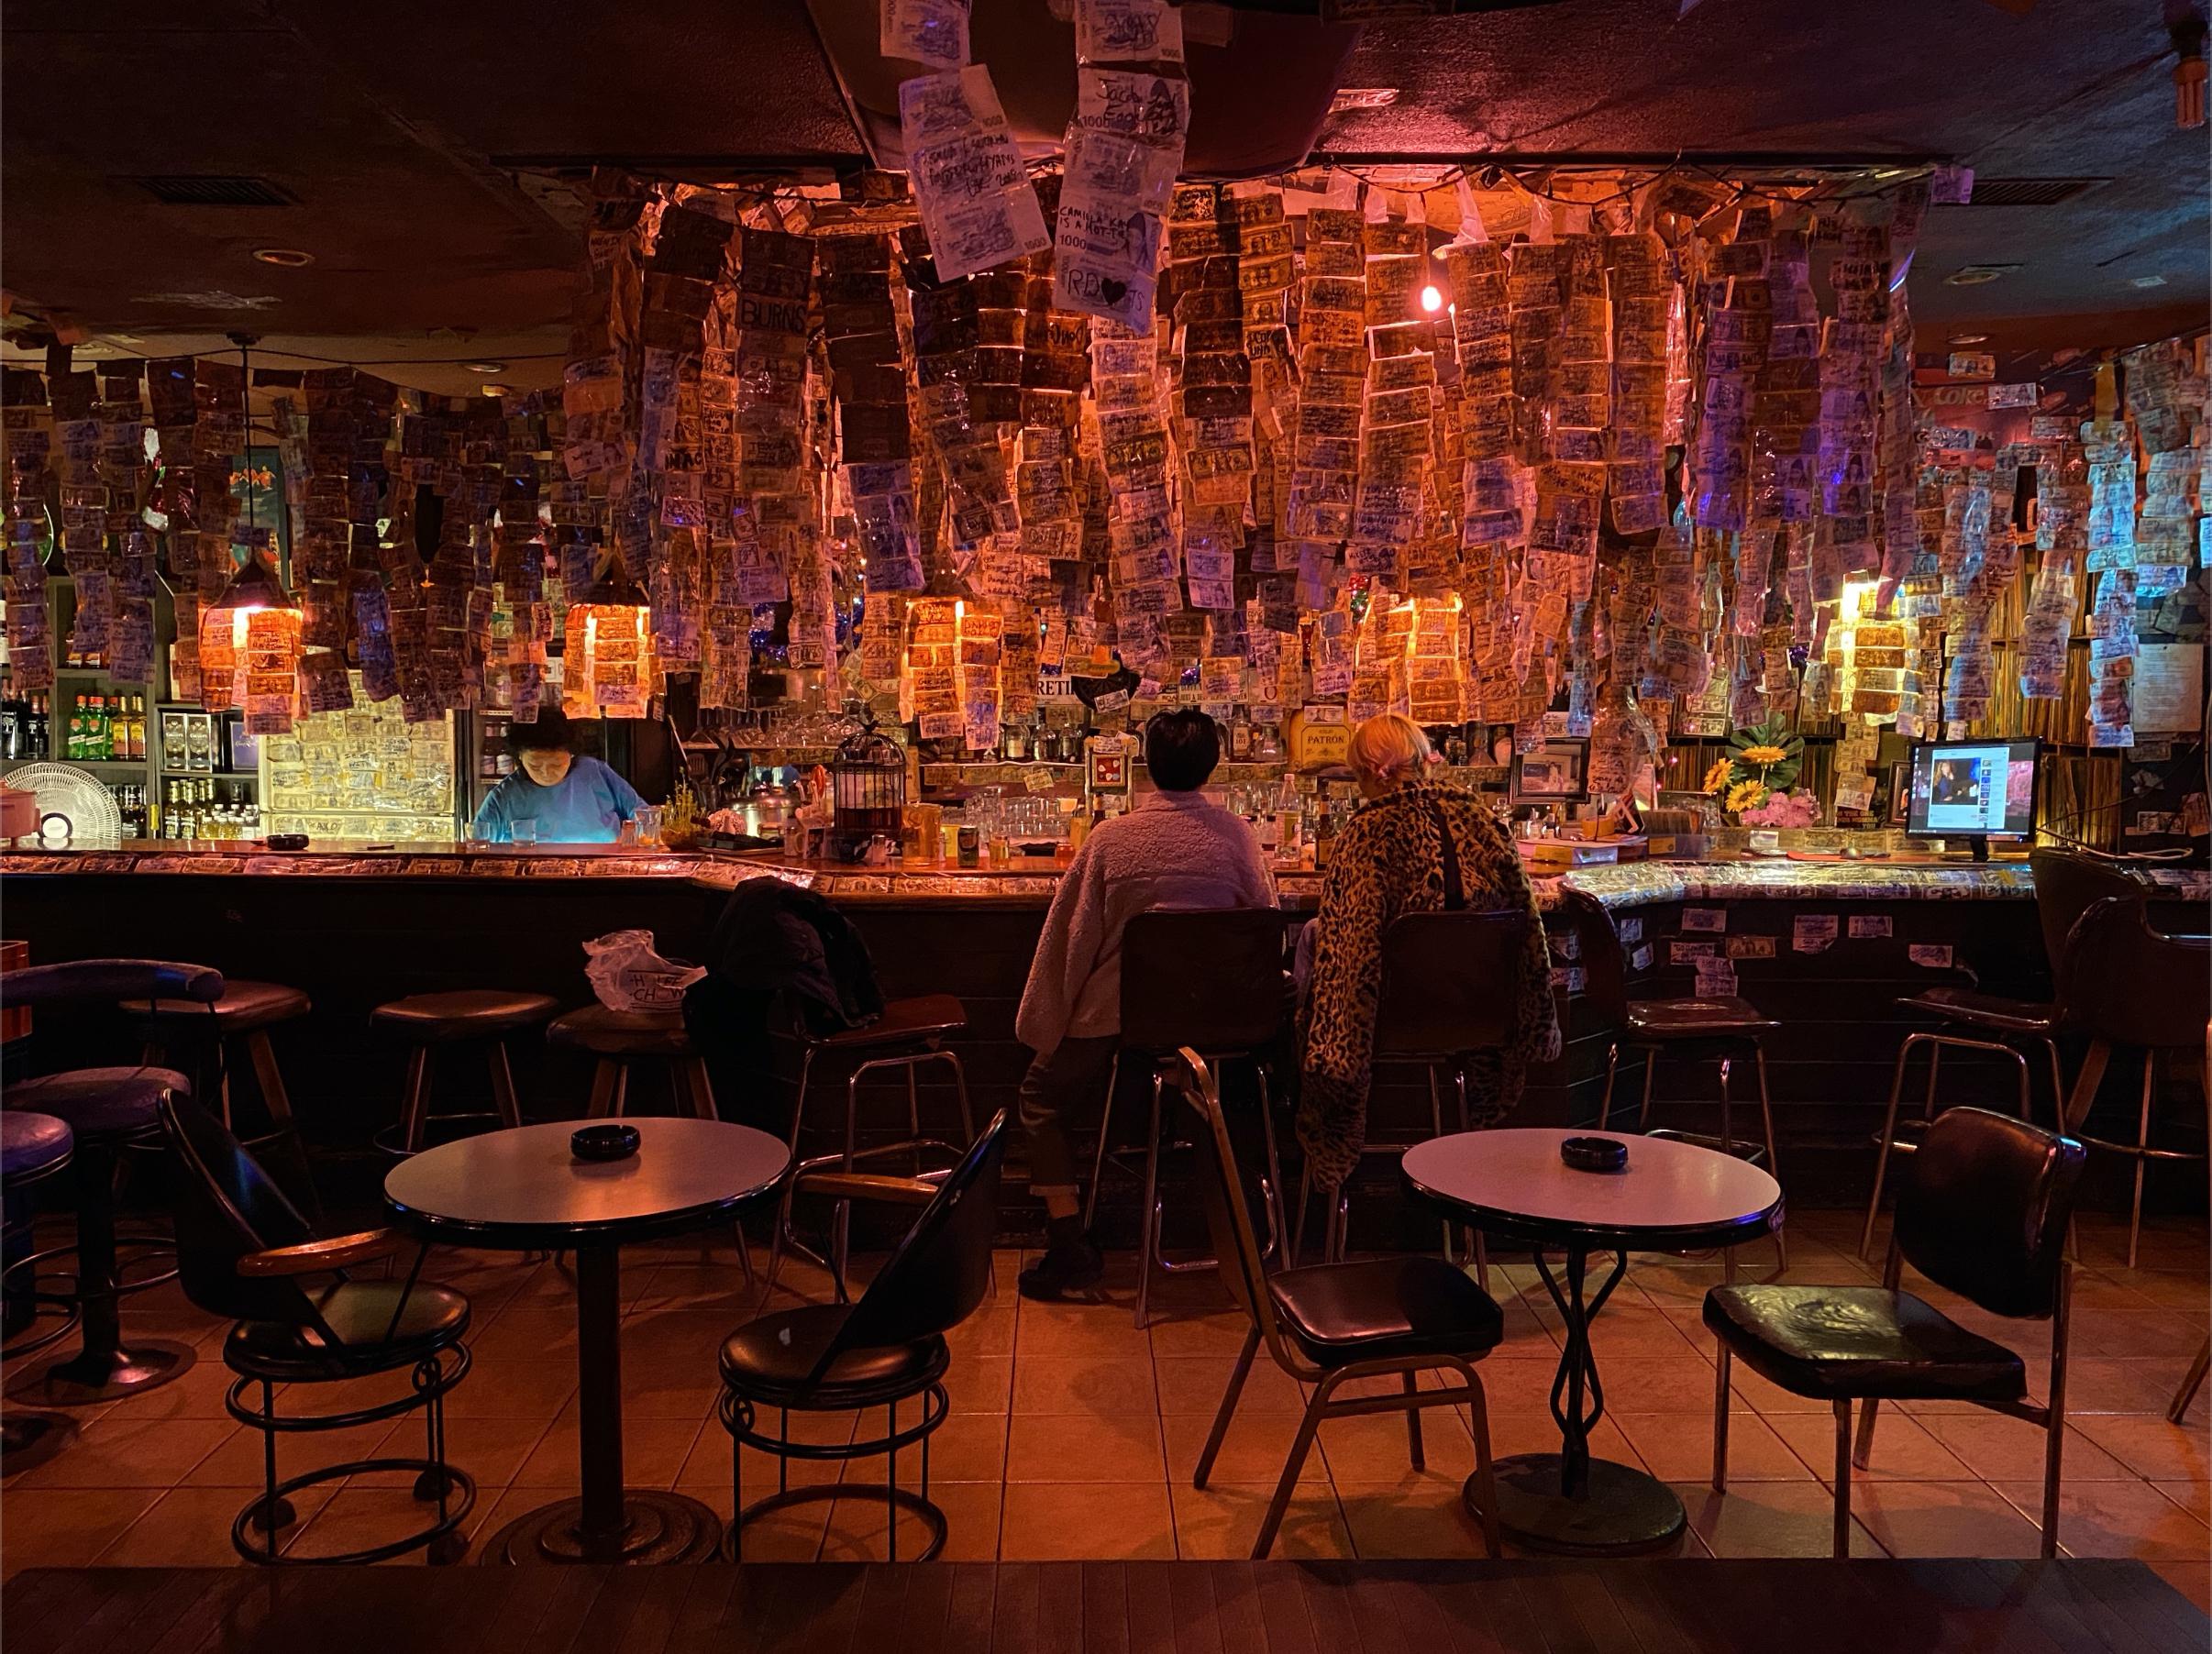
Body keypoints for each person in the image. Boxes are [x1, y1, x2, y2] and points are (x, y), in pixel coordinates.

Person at [1012, 708, 1277, 1299]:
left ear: (1146, 766)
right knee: (1216, 1098)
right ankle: (1245, 1228)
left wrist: (1045, 1023)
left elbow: (1069, 941)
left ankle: (1068, 1242)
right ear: (1212, 766)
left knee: (1039, 1098)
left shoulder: (1112, 841)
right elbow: (1266, 927)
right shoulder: (1238, 838)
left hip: (1118, 1019)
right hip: (1217, 1026)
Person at [1296, 712, 1560, 1195]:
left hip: (1394, 1024)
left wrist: (1331, 1064)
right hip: (1481, 1024)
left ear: (1372, 772)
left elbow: (1348, 960)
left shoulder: (1368, 832)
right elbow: (1529, 926)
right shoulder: (1482, 819)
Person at [471, 708, 645, 844]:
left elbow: (642, 814)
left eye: (556, 764)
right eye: (535, 765)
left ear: (571, 755)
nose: (546, 773)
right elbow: (476, 847)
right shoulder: (504, 797)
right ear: (519, 759)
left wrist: (630, 841)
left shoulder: (595, 772)